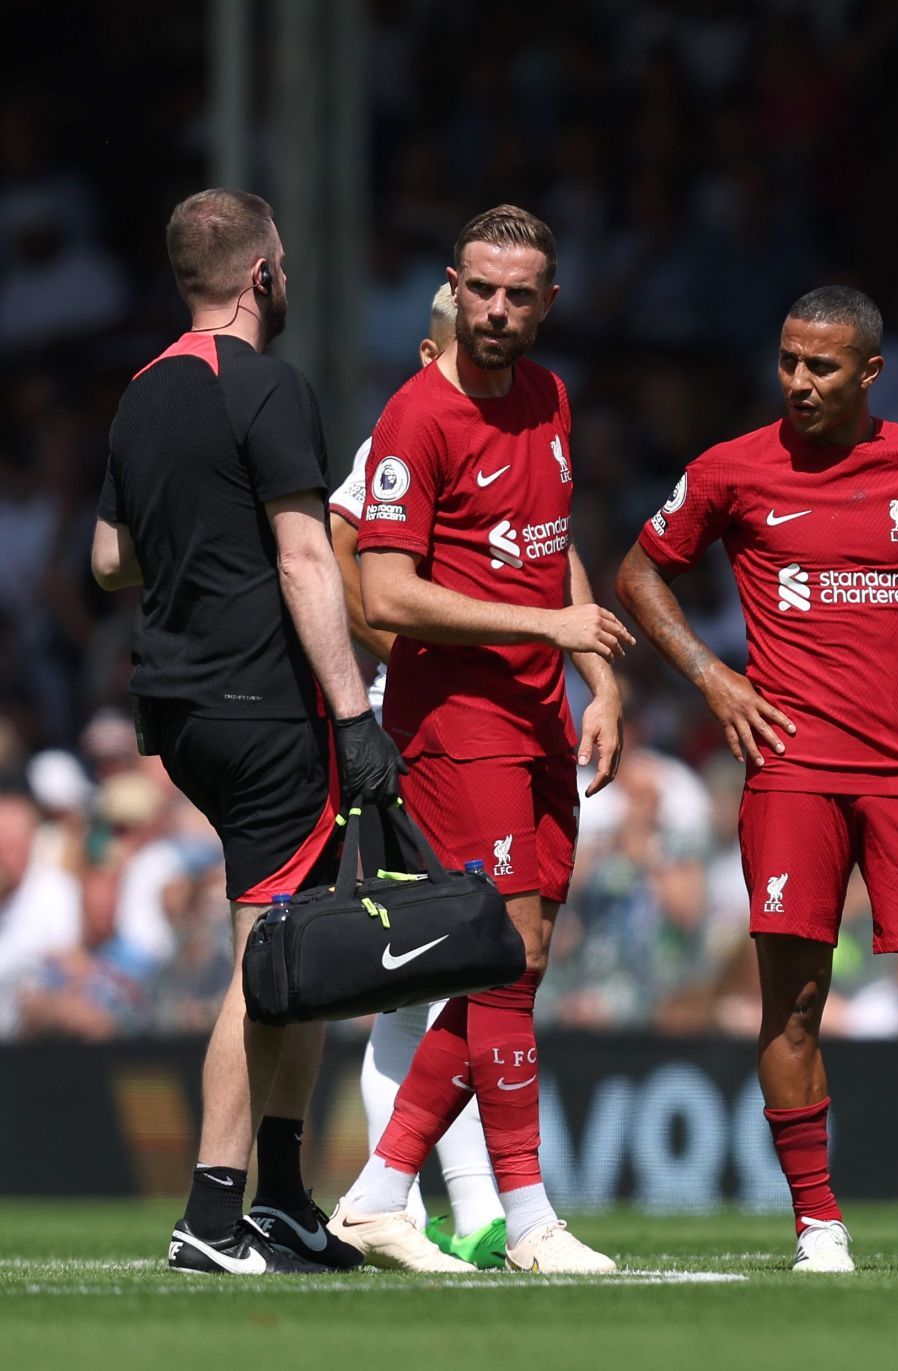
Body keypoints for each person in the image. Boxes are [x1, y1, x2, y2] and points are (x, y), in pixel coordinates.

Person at [618, 286, 898, 1274]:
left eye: (823, 366)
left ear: (870, 372)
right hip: (791, 770)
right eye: (790, 362)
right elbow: (639, 571)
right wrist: (715, 678)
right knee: (792, 1004)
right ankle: (817, 1222)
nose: (800, 382)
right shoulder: (734, 469)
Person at [92, 188, 403, 1274]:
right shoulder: (267, 387)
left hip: (177, 705)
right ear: (264, 274)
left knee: (300, 951)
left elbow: (109, 559)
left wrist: (196, 532)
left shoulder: (139, 395)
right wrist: (356, 714)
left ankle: (280, 1200)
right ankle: (213, 1214)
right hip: (264, 704)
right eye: (284, 262)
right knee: (269, 953)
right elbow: (308, 557)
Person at [327, 206, 632, 1275]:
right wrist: (548, 627)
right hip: (456, 722)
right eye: (481, 291)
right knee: (501, 960)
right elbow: (386, 589)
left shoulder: (550, 398)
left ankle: (382, 1193)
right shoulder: (417, 418)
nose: (497, 311)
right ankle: (521, 1216)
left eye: (519, 295)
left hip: (543, 711)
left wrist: (596, 674)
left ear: (549, 301)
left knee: (521, 960)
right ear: (453, 287)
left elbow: (545, 548)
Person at [328, 282, 507, 1269]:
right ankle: (395, 1194)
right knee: (430, 969)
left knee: (454, 970)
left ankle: (463, 1202)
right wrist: (400, 652)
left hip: (478, 723)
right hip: (424, 727)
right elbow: (337, 545)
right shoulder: (399, 436)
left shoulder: (500, 431)